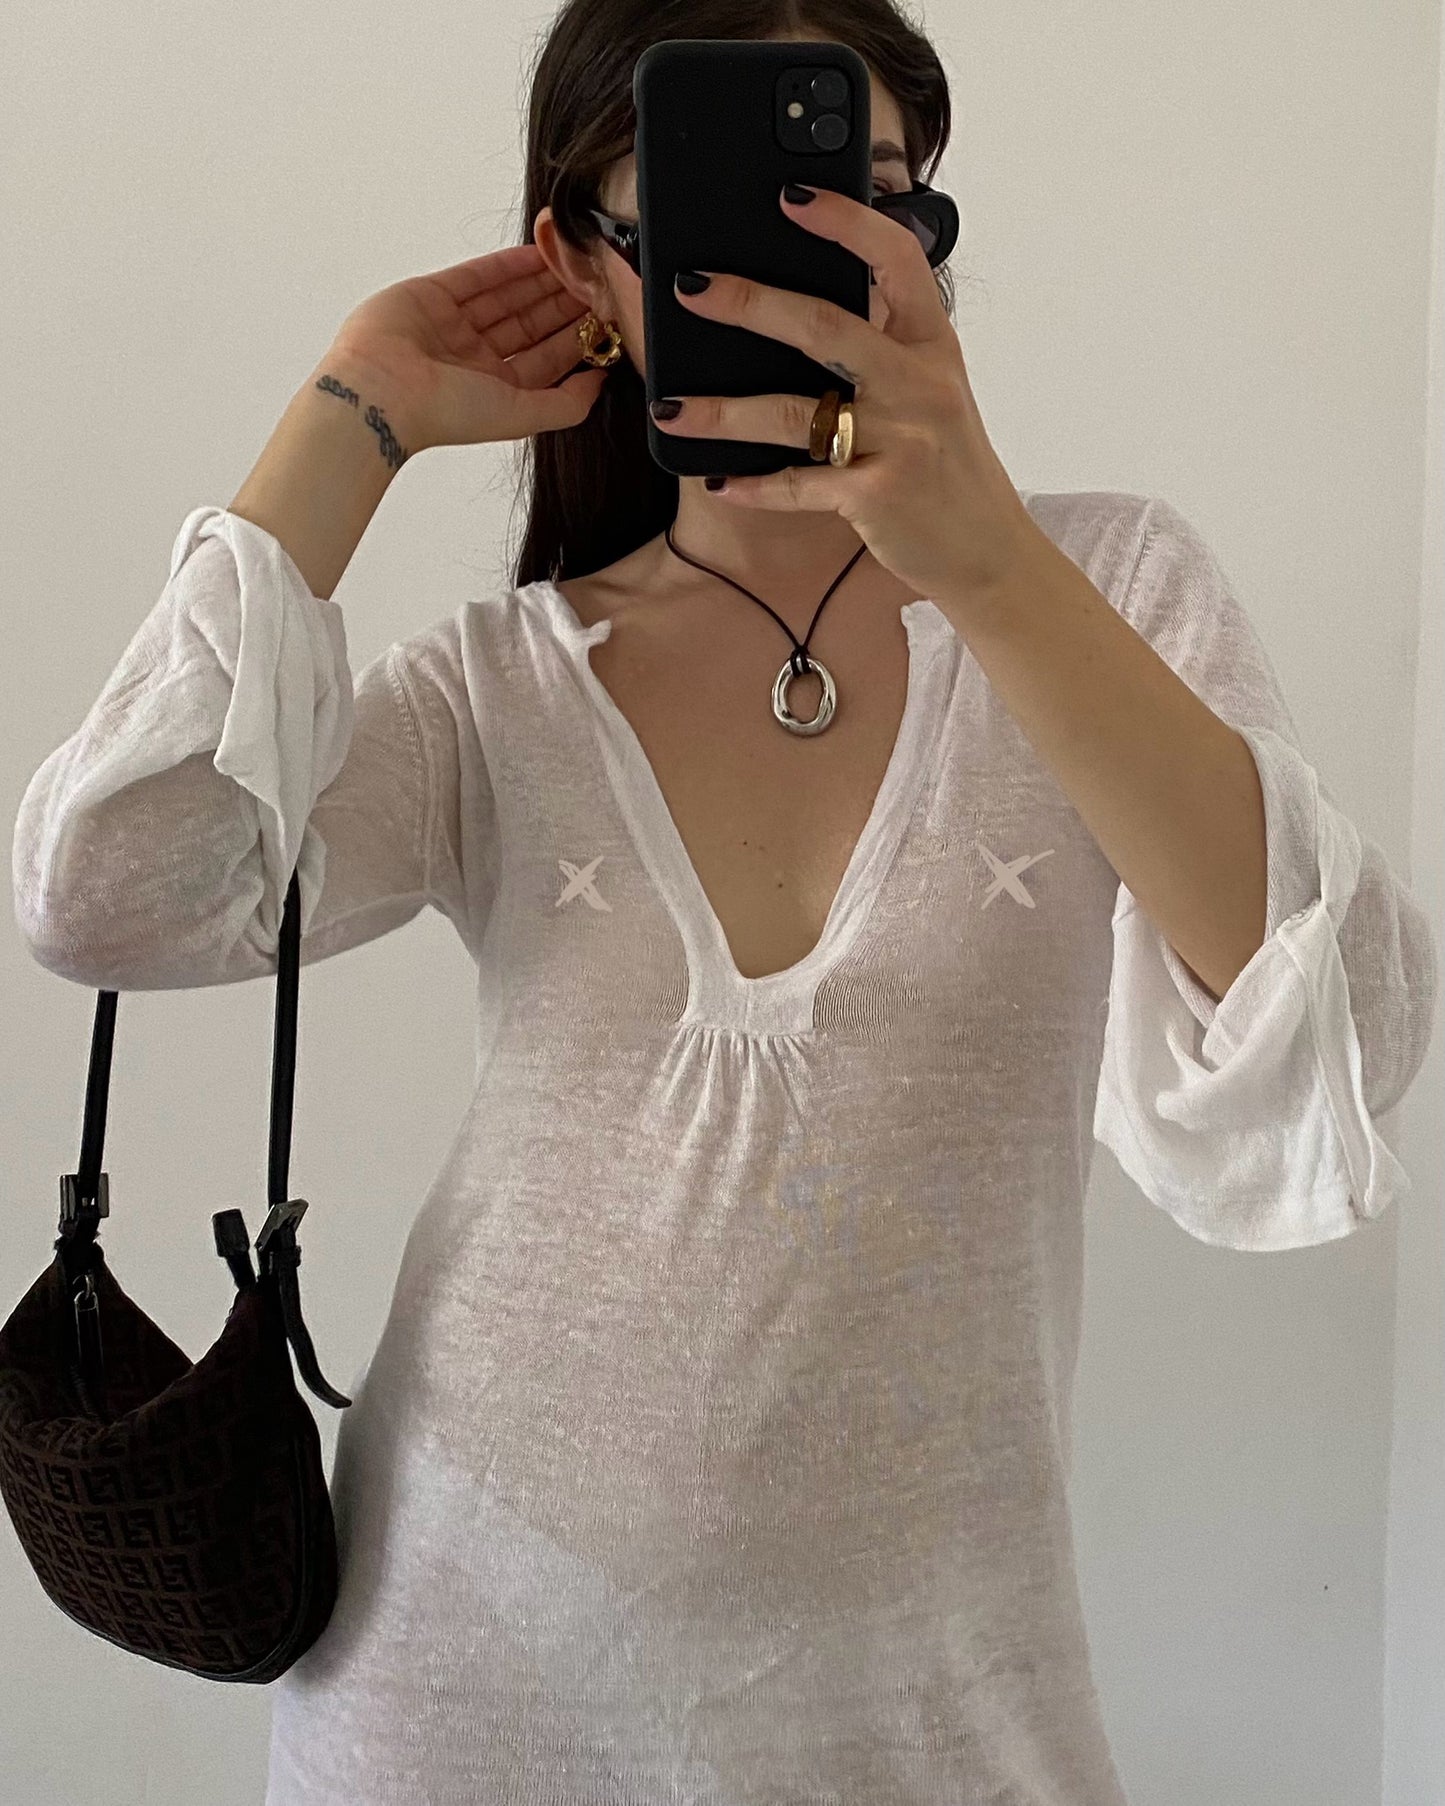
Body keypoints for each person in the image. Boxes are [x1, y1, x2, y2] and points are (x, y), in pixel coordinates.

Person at [12, 0, 1437, 1801]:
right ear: (584, 267)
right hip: (453, 1690)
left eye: (868, 204)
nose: (794, 271)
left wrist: (986, 556)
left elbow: (1340, 1039)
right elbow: (107, 895)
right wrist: (354, 412)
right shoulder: (497, 688)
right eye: (715, 222)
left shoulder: (1109, 586)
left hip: (936, 1719)